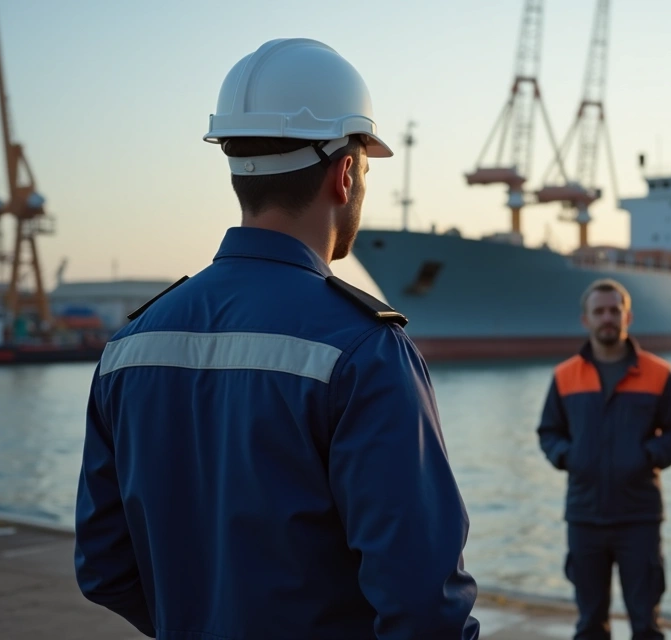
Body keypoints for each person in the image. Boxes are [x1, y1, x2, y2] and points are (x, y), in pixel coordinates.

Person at [72, 38, 479, 639]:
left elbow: (104, 567)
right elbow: (423, 607)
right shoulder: (364, 350)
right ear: (345, 174)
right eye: (365, 167)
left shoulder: (129, 346)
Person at [537, 278, 671, 640]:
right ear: (585, 320)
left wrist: (645, 457)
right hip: (584, 516)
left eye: (614, 311)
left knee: (646, 623)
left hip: (639, 516)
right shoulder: (565, 375)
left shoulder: (658, 374)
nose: (607, 318)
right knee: (590, 623)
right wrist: (569, 457)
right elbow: (548, 432)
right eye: (599, 311)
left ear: (628, 317)